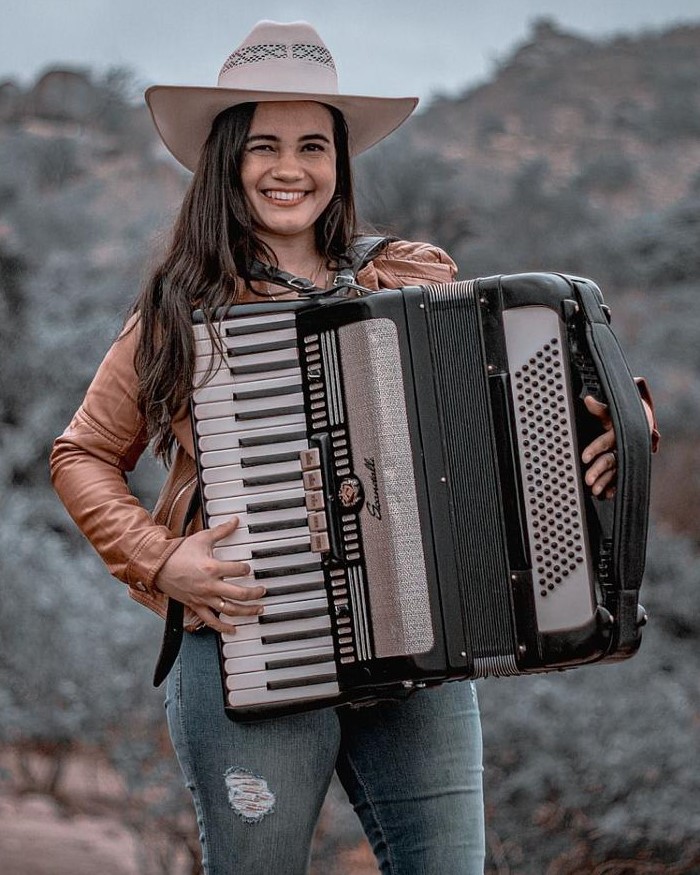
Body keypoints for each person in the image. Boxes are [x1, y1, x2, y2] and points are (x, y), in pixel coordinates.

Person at [50, 20, 658, 875]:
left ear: (338, 161)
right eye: (264, 146)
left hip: (422, 649)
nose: (289, 168)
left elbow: (501, 414)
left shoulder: (412, 277)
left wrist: (609, 429)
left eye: (313, 145)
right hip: (248, 645)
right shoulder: (176, 312)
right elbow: (80, 453)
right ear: (227, 161)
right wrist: (160, 558)